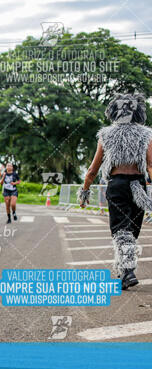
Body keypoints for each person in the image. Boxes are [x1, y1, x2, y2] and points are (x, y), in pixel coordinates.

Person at [79, 93, 152, 290]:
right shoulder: (146, 134)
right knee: (130, 230)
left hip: (118, 185)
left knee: (123, 231)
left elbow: (93, 169)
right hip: (138, 186)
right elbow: (151, 166)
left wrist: (85, 191)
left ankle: (126, 271)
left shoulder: (106, 135)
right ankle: (125, 271)